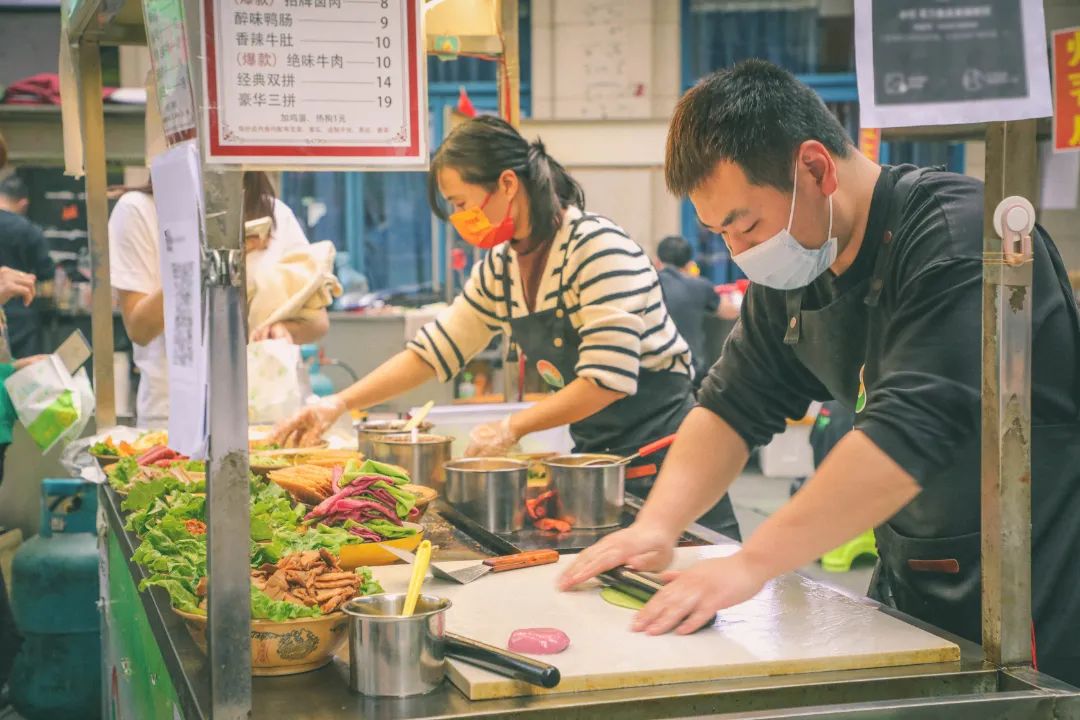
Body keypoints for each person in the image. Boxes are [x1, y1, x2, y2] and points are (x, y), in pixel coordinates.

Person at [560, 59, 1080, 685]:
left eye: (746, 223)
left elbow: (909, 432)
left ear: (814, 167)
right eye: (720, 233)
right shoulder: (800, 265)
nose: (741, 252)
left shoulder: (956, 237)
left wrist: (751, 564)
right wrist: (656, 526)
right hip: (914, 573)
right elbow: (731, 404)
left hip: (1038, 588)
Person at [273, 116, 741, 539]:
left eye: (461, 202)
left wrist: (510, 428)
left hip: (669, 463)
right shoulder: (502, 267)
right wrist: (335, 404)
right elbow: (433, 351)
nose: (459, 219)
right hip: (595, 469)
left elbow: (606, 382)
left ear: (507, 184)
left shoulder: (597, 249)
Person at [109, 171, 327, 425]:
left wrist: (280, 328)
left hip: (269, 412)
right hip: (176, 416)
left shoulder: (276, 214)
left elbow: (318, 322)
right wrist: (212, 258)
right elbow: (140, 327)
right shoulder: (140, 210)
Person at [0, 174, 55, 358]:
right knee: (22, 377)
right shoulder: (28, 230)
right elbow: (46, 272)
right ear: (23, 203)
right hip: (21, 313)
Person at [655, 235, 719, 384]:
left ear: (657, 261)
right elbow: (729, 311)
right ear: (689, 263)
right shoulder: (701, 286)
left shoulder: (647, 283)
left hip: (653, 372)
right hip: (692, 372)